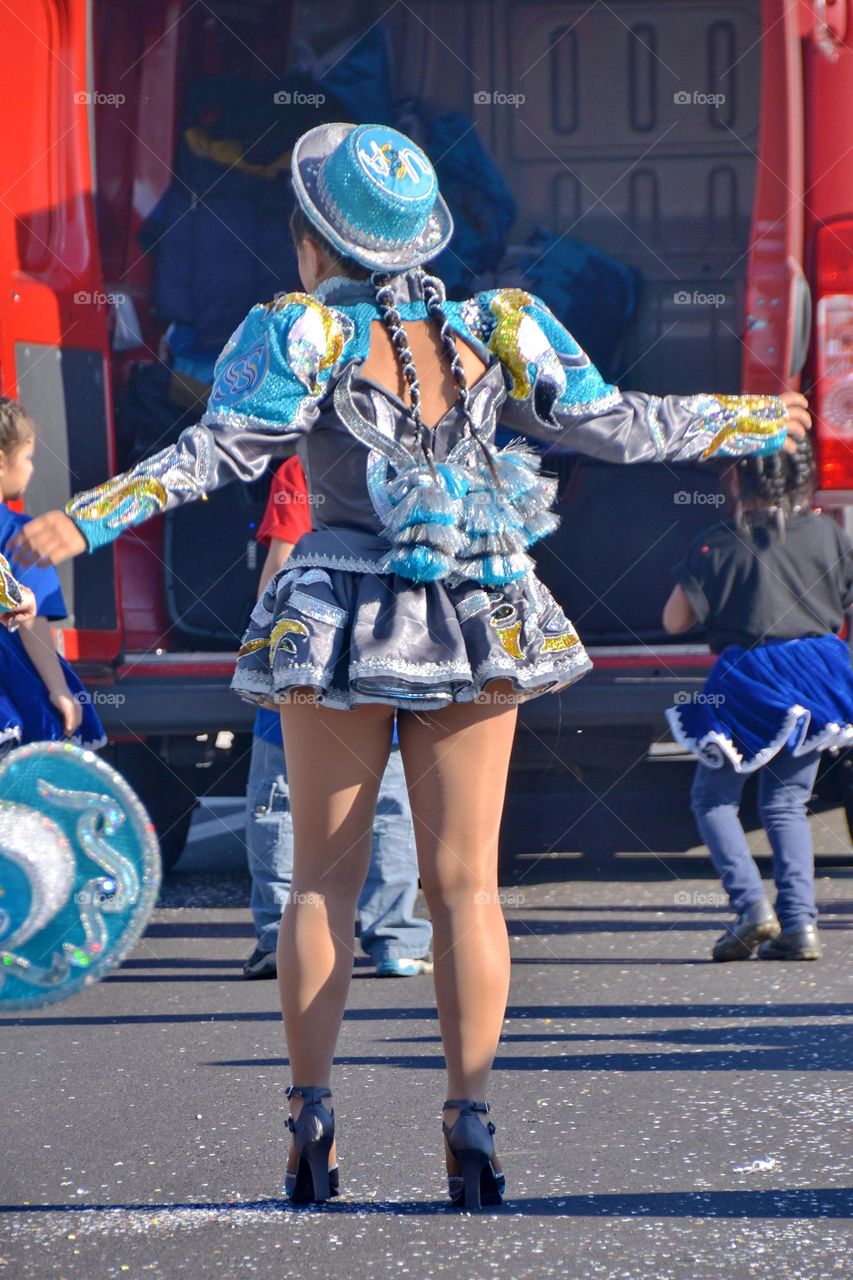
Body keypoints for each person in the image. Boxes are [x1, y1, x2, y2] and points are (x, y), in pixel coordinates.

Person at [12, 123, 809, 1208]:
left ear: (310, 241)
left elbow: (213, 452)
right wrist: (751, 414)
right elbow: (619, 426)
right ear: (418, 238)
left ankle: (309, 1121)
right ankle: (470, 1126)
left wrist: (85, 519)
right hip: (479, 608)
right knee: (466, 885)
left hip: (335, 610)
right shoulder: (504, 324)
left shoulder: (294, 333)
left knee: (320, 888)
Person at [663, 437, 851, 963]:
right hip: (819, 673)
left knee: (714, 798)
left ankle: (751, 908)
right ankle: (801, 926)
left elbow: (673, 620)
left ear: (738, 480)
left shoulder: (717, 543)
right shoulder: (827, 534)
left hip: (749, 677)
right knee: (787, 802)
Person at [244, 454, 432, 979]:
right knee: (391, 796)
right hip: (392, 647)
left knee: (282, 796)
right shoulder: (416, 457)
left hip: (312, 647)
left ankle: (281, 938)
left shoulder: (305, 465)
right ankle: (395, 938)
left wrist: (268, 648)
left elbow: (283, 562)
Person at [0, 398, 105, 756]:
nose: (30, 469)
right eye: (27, 458)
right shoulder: (22, 535)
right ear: (2, 461)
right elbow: (34, 623)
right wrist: (58, 689)